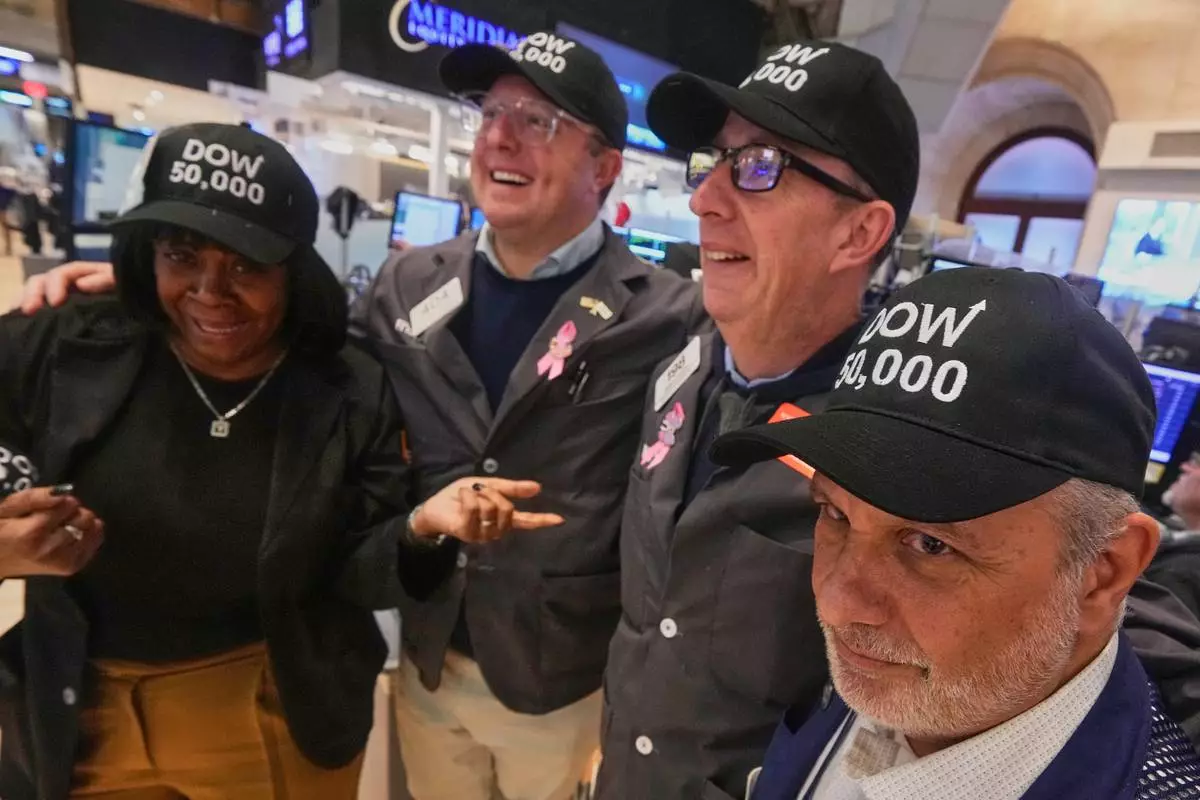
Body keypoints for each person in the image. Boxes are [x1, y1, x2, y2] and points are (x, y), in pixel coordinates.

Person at [16, 34, 706, 800]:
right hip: (430, 652)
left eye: (540, 120)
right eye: (491, 113)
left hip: (560, 668)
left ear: (605, 167)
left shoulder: (670, 316)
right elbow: (291, 333)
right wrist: (143, 295)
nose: (501, 135)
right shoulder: (408, 283)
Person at [596, 39, 1200, 800]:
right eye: (712, 163)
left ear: (861, 232)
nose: (704, 200)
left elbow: (1088, 595)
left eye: (759, 168)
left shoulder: (913, 417)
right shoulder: (681, 368)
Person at [0, 122, 560, 800]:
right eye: (182, 255)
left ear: (293, 273)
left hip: (271, 705)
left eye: (244, 266)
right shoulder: (66, 342)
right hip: (79, 708)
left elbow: (358, 568)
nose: (210, 291)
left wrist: (420, 528)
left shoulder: (346, 388)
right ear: (148, 252)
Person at [708, 267, 1200, 799]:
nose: (836, 602)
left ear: (1104, 573)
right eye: (836, 514)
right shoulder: (881, 675)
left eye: (931, 544)